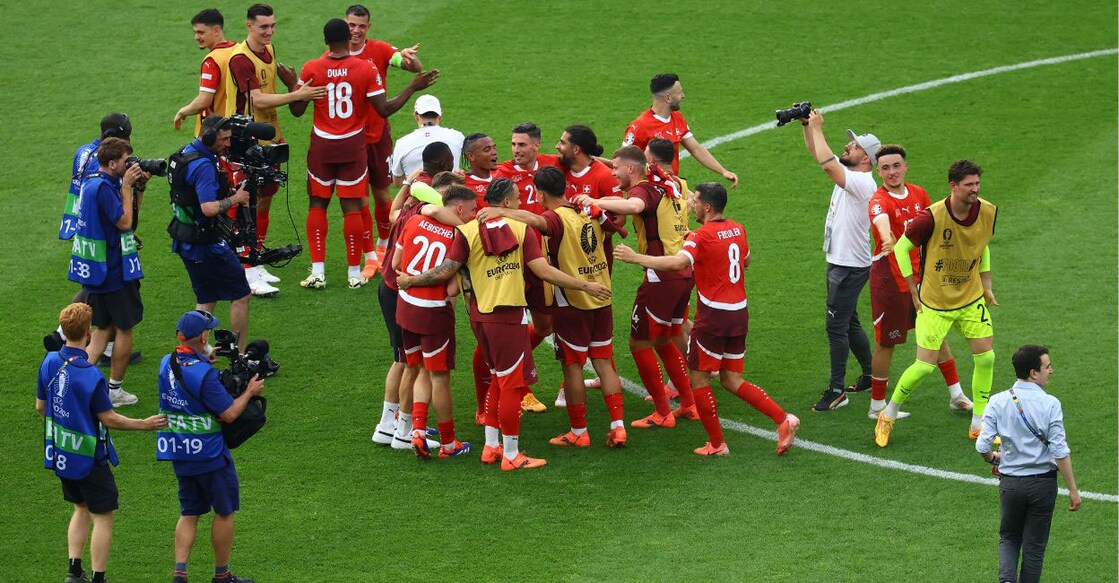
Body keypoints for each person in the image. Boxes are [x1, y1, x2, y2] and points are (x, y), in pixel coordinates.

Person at [398, 178, 611, 470]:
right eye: (518, 199)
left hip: (479, 317)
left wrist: (411, 280)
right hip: (508, 317)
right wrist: (585, 285)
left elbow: (447, 272)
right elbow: (543, 271)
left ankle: (490, 447)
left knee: (498, 380)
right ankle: (511, 455)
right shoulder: (521, 230)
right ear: (507, 202)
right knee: (511, 386)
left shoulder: (468, 230)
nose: (522, 203)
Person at [615, 183, 800, 456]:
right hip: (739, 313)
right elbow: (745, 261)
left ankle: (716, 444)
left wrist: (636, 258)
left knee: (699, 379)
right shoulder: (738, 229)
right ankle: (783, 419)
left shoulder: (700, 236)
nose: (692, 204)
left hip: (713, 317)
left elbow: (678, 263)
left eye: (697, 201)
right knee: (732, 379)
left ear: (708, 207)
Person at [477, 166, 628, 447]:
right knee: (604, 362)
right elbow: (616, 226)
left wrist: (500, 211)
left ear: (540, 193)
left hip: (572, 301)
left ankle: (579, 433)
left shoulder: (556, 218)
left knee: (573, 366)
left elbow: (535, 220)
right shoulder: (587, 210)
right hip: (602, 296)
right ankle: (618, 427)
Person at [291, 18, 438, 290]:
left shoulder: (312, 67)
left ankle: (318, 272)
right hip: (352, 146)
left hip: (321, 147)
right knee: (352, 207)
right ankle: (353, 274)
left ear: (325, 42)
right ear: (349, 38)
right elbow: (384, 109)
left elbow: (296, 111)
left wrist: (293, 86)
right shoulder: (365, 68)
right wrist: (412, 87)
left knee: (317, 204)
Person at [36, 303, 167, 583]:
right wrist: (144, 424)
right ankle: (98, 577)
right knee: (103, 516)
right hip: (89, 457)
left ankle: (74, 571)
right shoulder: (91, 374)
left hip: (62, 453)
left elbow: (40, 407)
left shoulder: (49, 362)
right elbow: (109, 419)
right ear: (88, 332)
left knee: (81, 507)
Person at [875, 160, 999, 446]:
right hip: (934, 303)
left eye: (977, 183)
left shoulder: (986, 211)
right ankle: (887, 414)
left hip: (970, 299)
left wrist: (987, 284)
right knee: (924, 366)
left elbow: (980, 245)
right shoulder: (930, 218)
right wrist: (912, 288)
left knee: (986, 357)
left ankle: (979, 423)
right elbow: (902, 248)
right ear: (953, 186)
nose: (975, 189)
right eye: (969, 185)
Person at [576, 146, 696, 429]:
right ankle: (689, 404)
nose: (613, 173)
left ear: (632, 169)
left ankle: (662, 412)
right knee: (665, 339)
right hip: (683, 272)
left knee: (639, 344)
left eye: (616, 168)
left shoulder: (642, 190)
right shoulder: (670, 182)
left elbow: (634, 207)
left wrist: (595, 200)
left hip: (660, 276)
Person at [863, 144, 971, 419]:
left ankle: (957, 395)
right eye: (885, 168)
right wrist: (887, 238)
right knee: (887, 342)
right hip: (891, 280)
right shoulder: (879, 200)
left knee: (936, 333)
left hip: (923, 278)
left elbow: (934, 227)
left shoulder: (919, 194)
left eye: (896, 166)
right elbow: (881, 222)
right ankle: (877, 406)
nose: (892, 172)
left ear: (905, 167)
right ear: (878, 172)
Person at [158, 310, 264, 583]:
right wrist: (250, 392)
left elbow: (187, 377)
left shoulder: (166, 363)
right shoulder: (204, 375)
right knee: (224, 512)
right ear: (203, 336)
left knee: (189, 513)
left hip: (180, 450)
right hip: (210, 454)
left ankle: (180, 574)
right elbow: (229, 413)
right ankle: (222, 576)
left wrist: (202, 359)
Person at [227, 3, 325, 289]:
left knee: (265, 198)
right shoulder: (240, 59)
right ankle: (245, 268)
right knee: (245, 202)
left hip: (270, 137)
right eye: (263, 27)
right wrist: (298, 93)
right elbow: (256, 99)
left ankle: (255, 260)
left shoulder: (268, 50)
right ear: (249, 26)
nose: (269, 31)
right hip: (246, 142)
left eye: (272, 26)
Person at [371, 150, 458, 449]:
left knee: (403, 361)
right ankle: (399, 428)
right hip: (405, 294)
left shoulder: (411, 212)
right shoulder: (435, 218)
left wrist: (408, 185)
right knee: (410, 365)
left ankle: (392, 425)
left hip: (391, 289)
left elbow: (392, 214)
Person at [976, 345, 1081, 583]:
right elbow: (1060, 451)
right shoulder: (1050, 404)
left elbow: (982, 446)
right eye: (1047, 366)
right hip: (1043, 485)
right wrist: (1073, 490)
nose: (1051, 370)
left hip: (1011, 485)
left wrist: (992, 458)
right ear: (1034, 373)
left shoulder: (997, 401)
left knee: (1009, 538)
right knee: (1034, 547)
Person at [799, 108, 879, 412]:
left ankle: (836, 390)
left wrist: (818, 128)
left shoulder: (862, 182)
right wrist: (808, 127)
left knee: (836, 327)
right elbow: (818, 154)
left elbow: (826, 164)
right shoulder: (853, 176)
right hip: (844, 261)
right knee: (849, 320)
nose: (848, 146)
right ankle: (871, 375)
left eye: (854, 145)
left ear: (866, 158)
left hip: (848, 266)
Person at [394, 185, 478, 458]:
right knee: (439, 378)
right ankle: (449, 444)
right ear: (459, 208)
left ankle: (416, 431)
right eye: (472, 210)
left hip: (405, 307)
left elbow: (395, 263)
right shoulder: (459, 237)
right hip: (433, 313)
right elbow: (452, 290)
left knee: (417, 367)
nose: (474, 215)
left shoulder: (414, 220)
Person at [53, 112, 142, 368]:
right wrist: (127, 189)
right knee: (100, 298)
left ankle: (65, 336)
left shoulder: (84, 151)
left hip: (83, 225)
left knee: (94, 297)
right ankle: (65, 334)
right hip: (101, 238)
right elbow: (121, 219)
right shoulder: (101, 175)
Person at [342, 3, 424, 279]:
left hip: (378, 136)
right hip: (350, 139)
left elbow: (413, 67)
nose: (356, 30)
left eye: (361, 26)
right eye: (351, 25)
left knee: (381, 194)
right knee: (359, 198)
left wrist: (410, 59)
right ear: (344, 24)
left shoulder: (380, 49)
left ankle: (383, 244)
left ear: (369, 27)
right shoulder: (334, 54)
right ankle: (369, 257)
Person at [68, 137, 149, 407]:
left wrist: (138, 189)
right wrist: (126, 186)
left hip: (98, 270)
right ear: (112, 163)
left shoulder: (93, 182)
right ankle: (114, 391)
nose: (130, 165)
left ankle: (75, 385)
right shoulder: (106, 187)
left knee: (103, 329)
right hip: (114, 272)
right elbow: (125, 223)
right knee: (124, 329)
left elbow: (118, 222)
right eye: (126, 161)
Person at [167, 115, 253, 355]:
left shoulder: (184, 153)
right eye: (224, 139)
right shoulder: (204, 166)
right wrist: (236, 198)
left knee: (206, 297)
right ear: (208, 137)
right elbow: (208, 208)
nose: (228, 144)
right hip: (206, 243)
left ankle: (198, 352)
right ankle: (240, 355)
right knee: (242, 294)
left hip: (185, 238)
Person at [622, 73, 738, 186]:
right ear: (668, 98)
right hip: (649, 189)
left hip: (670, 185)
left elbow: (695, 149)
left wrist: (723, 171)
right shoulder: (640, 126)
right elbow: (623, 161)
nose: (683, 96)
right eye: (679, 93)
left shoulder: (677, 118)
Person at [173, 9, 239, 135]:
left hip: (218, 131)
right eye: (195, 33)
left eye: (201, 33)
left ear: (216, 30)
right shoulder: (238, 49)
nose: (196, 37)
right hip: (240, 124)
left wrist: (182, 111)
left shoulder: (212, 60)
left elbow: (204, 101)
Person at [389, 95, 465, 185]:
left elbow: (398, 181)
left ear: (416, 116)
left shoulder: (402, 143)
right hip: (449, 192)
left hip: (416, 193)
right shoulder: (457, 137)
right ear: (440, 116)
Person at [493, 122, 562, 215]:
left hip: (551, 223)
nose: (516, 150)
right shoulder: (501, 172)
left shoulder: (553, 163)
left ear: (536, 146)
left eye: (521, 145)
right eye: (513, 144)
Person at [462, 133, 498, 206]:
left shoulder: (503, 172)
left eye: (494, 148)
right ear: (471, 156)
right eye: (487, 150)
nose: (494, 152)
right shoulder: (464, 186)